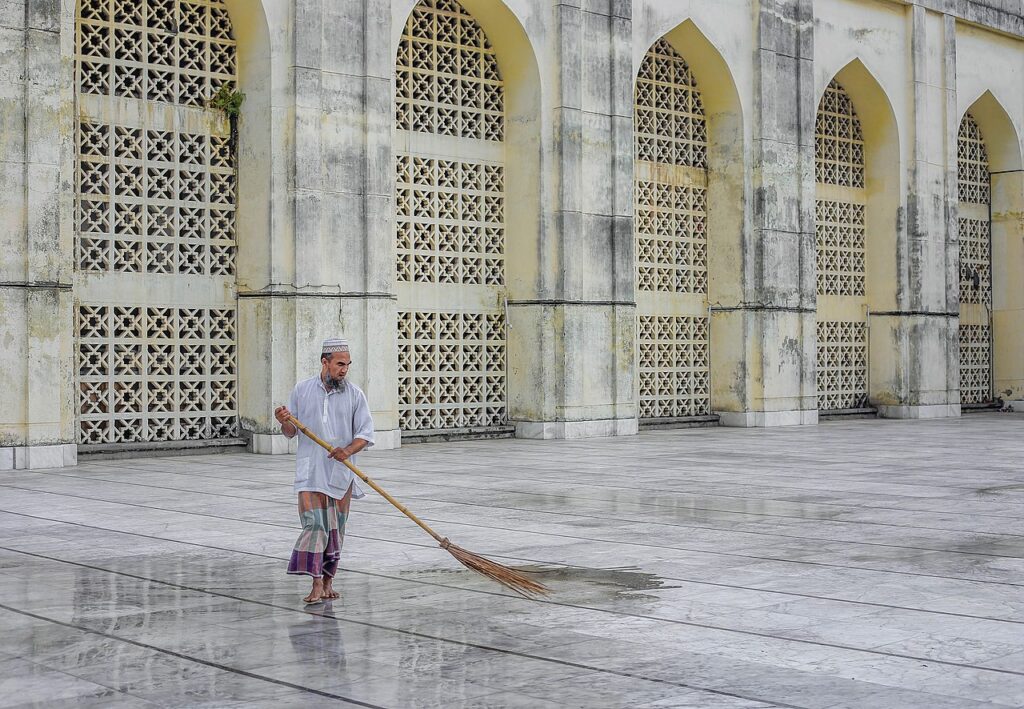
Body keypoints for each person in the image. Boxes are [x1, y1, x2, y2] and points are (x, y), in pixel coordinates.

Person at [274, 338, 375, 604]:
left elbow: (365, 434)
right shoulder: (302, 390)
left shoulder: (355, 395)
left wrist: (347, 451)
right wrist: (283, 421)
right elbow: (291, 432)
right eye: (340, 364)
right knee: (314, 525)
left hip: (340, 474)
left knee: (335, 530)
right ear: (325, 362)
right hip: (310, 473)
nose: (344, 369)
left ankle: (329, 582)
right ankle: (316, 583)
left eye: (347, 365)